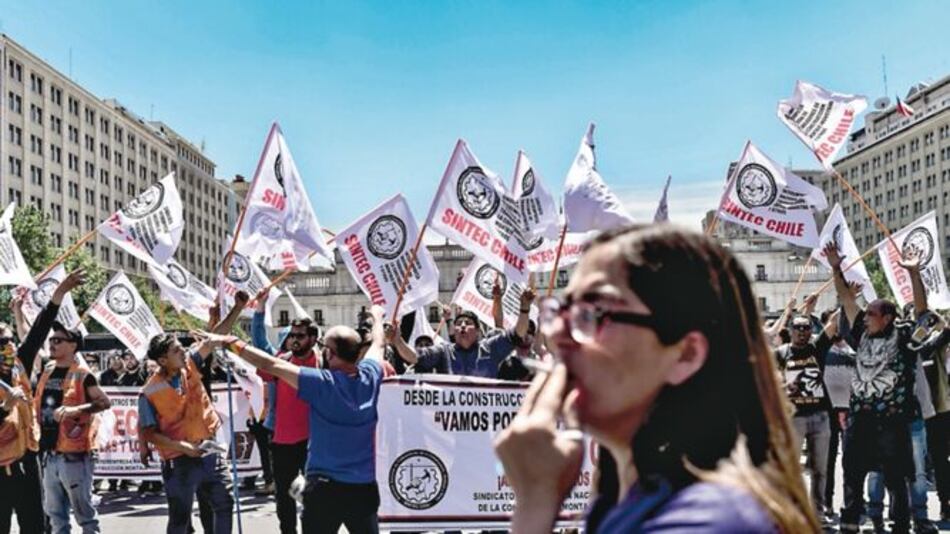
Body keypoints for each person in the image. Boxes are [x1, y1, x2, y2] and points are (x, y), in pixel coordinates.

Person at [494, 225, 818, 532]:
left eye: (594, 314)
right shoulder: (616, 502)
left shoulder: (713, 520)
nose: (556, 334)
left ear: (686, 354)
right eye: (561, 312)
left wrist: (534, 507)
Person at [211, 303, 387, 533]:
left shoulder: (322, 383)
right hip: (363, 488)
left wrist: (227, 341)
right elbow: (379, 343)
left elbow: (269, 364)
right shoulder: (372, 376)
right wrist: (377, 317)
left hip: (325, 491)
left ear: (330, 354)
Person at [824, 243, 943, 534]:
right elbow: (847, 302)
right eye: (866, 315)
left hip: (892, 421)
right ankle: (850, 524)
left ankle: (900, 526)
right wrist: (836, 268)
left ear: (887, 318)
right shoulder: (861, 335)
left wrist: (914, 273)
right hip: (860, 419)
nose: (865, 318)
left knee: (896, 479)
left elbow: (923, 313)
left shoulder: (904, 337)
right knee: (852, 475)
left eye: (872, 314)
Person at [34, 277, 112, 533]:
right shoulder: (47, 369)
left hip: (74, 455)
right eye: (52, 340)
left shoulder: (83, 374)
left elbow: (104, 402)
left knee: (85, 516)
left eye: (59, 340)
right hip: (49, 453)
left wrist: (75, 410)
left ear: (73, 346)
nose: (52, 343)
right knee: (55, 517)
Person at [138, 332, 234, 534]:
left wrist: (238, 307)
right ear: (163, 360)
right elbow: (149, 433)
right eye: (176, 349)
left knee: (224, 503)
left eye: (181, 346)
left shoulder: (189, 363)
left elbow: (211, 340)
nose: (183, 350)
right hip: (178, 462)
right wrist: (183, 447)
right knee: (180, 519)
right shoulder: (149, 392)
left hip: (209, 451)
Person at [252, 293, 320, 534]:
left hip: (314, 443)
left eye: (300, 336)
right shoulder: (282, 361)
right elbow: (259, 345)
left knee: (313, 497)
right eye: (291, 335)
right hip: (282, 442)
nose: (294, 340)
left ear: (313, 338)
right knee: (285, 496)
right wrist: (259, 310)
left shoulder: (323, 364)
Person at [773, 294, 835, 523]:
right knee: (791, 469)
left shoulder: (817, 349)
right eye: (797, 328)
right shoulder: (781, 353)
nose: (801, 332)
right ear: (790, 331)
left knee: (821, 468)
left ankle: (817, 513)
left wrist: (845, 289)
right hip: (794, 418)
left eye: (806, 328)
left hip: (820, 417)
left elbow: (833, 323)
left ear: (811, 331)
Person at [389, 289, 535, 377]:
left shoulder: (490, 348)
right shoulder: (443, 351)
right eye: (458, 324)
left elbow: (518, 333)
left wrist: (524, 309)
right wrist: (397, 340)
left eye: (468, 323)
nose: (462, 327)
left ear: (478, 331)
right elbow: (414, 357)